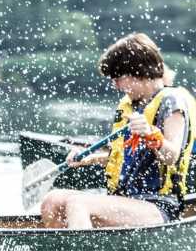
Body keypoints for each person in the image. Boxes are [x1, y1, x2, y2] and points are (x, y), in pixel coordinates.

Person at [40, 32, 196, 229]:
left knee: (77, 204)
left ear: (139, 71)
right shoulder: (130, 106)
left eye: (118, 77)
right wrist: (88, 158)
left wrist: (150, 134)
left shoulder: (172, 102)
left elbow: (171, 156)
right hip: (124, 201)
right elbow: (120, 155)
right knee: (52, 200)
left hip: (158, 205)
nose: (115, 84)